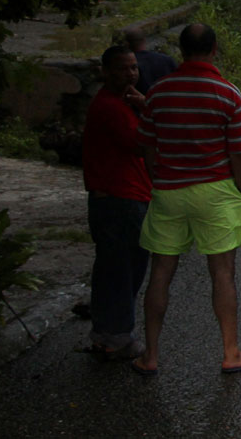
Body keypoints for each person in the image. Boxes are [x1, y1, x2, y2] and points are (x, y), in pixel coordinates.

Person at [133, 23, 241, 376]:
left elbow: (146, 144)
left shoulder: (158, 93)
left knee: (160, 273)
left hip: (169, 190)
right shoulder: (228, 94)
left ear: (181, 51)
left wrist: (160, 177)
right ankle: (231, 352)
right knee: (222, 272)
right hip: (216, 191)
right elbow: (239, 154)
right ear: (215, 49)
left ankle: (151, 355)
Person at [81, 45, 152, 359]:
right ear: (105, 72)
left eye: (134, 67)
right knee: (121, 270)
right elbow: (143, 143)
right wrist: (150, 109)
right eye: (123, 69)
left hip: (121, 196)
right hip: (119, 199)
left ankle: (107, 333)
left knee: (116, 268)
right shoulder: (111, 107)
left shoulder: (119, 103)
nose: (131, 74)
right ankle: (115, 337)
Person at [122, 27, 176, 96]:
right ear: (144, 40)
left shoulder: (128, 65)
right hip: (167, 102)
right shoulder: (167, 60)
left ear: (126, 44)